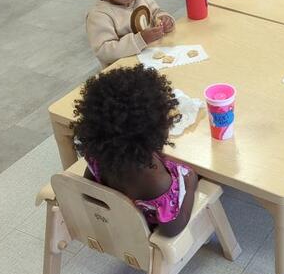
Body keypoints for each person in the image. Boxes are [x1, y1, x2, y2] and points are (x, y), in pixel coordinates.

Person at [73, 65, 199, 238]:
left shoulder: (99, 155)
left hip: (116, 221)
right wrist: (190, 186)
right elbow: (172, 228)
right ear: (153, 129)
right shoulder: (155, 180)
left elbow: (91, 185)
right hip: (141, 233)